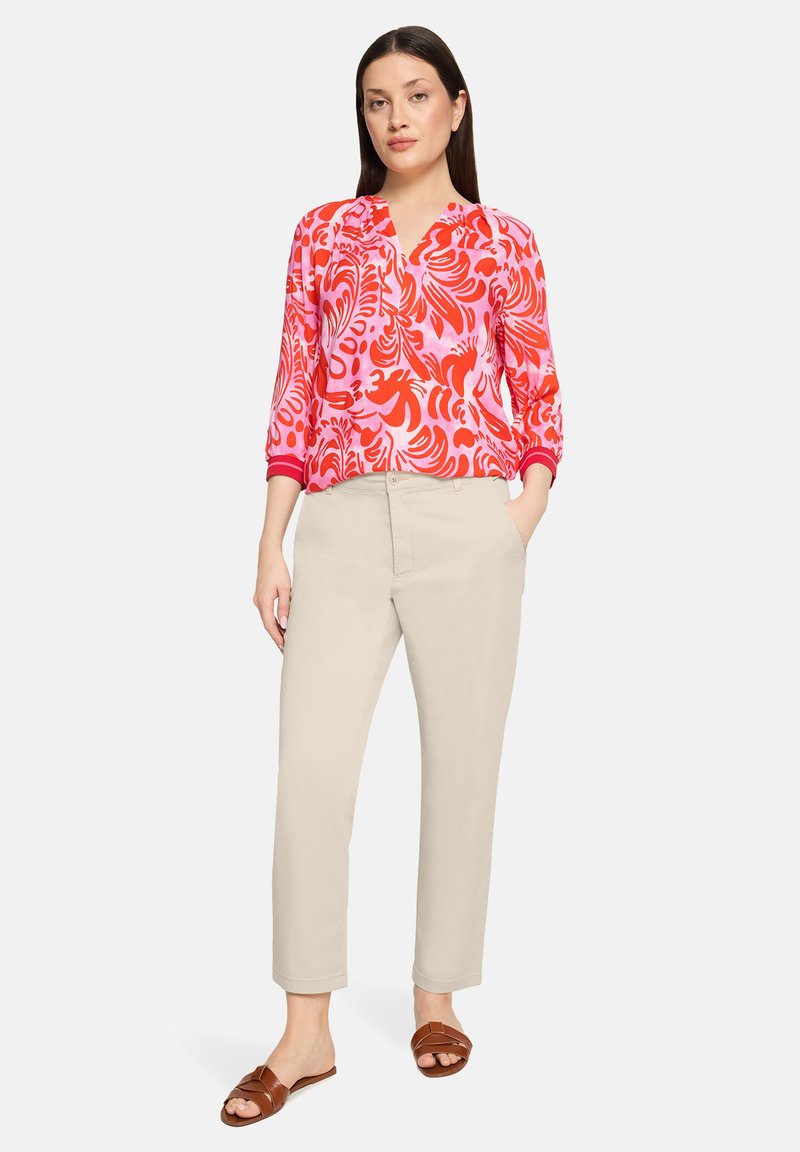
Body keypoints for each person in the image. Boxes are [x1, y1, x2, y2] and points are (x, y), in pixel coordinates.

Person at [220, 24, 564, 1127]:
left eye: (418, 95)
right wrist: (271, 540)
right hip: (340, 524)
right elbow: (296, 387)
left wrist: (517, 518)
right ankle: (305, 1031)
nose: (397, 116)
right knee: (311, 771)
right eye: (377, 100)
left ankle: (435, 997)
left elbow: (539, 394)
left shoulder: (503, 242)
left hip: (468, 520)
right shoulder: (324, 234)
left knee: (461, 765)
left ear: (457, 108)